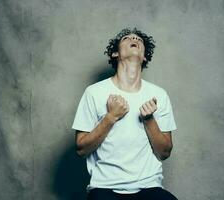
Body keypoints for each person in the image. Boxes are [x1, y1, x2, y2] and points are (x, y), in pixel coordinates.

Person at [72, 28, 178, 200]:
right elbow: (81, 149)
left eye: (139, 40)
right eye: (127, 38)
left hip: (149, 187)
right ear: (115, 53)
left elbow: (164, 153)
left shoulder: (159, 95)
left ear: (144, 56)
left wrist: (149, 119)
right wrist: (111, 117)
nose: (134, 38)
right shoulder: (94, 92)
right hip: (105, 188)